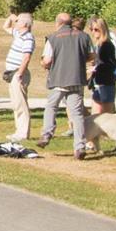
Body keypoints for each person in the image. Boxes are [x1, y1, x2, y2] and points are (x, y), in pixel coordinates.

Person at [41, 12, 95, 156]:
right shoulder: (84, 36)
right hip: (76, 79)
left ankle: (47, 133)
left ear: (58, 23)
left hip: (58, 78)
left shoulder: (52, 38)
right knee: (77, 113)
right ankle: (79, 146)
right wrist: (79, 60)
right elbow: (92, 55)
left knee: (51, 106)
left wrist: (44, 64)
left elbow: (47, 60)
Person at [86, 17, 116, 154]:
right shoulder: (99, 44)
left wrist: (95, 68)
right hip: (99, 82)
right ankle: (92, 142)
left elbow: (109, 64)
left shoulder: (107, 45)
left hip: (106, 82)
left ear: (103, 29)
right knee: (95, 115)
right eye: (92, 29)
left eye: (96, 29)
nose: (93, 32)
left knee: (108, 115)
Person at [2, 13, 36, 142]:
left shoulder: (28, 38)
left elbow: (26, 57)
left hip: (18, 73)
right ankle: (19, 131)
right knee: (16, 103)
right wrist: (12, 17)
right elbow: (5, 26)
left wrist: (20, 73)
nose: (15, 23)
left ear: (25, 24)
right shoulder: (18, 34)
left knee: (21, 104)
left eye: (18, 21)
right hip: (12, 72)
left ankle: (23, 133)